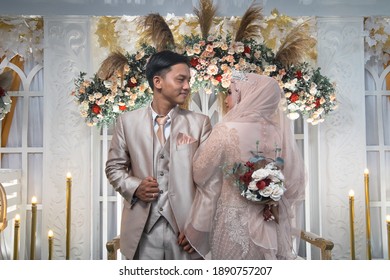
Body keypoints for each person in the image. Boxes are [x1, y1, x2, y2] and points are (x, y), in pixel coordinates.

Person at [184, 72, 306, 259]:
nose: (226, 100)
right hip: (270, 221)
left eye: (231, 93)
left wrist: (191, 149)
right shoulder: (278, 132)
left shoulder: (226, 129)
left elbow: (200, 173)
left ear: (247, 96)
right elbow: (293, 179)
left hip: (232, 222)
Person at [105, 50, 212, 260]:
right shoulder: (127, 122)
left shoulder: (200, 123)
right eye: (181, 79)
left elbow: (211, 181)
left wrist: (199, 226)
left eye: (188, 80)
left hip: (185, 232)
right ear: (158, 82)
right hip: (141, 232)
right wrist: (135, 187)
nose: (187, 86)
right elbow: (113, 168)